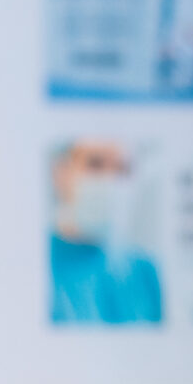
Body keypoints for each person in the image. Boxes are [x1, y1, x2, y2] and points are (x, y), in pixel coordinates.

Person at [49, 138, 164, 327]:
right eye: (95, 165)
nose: (110, 180)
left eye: (122, 169)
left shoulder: (145, 272)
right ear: (61, 174)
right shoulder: (36, 267)